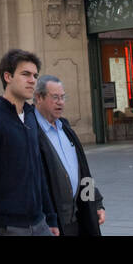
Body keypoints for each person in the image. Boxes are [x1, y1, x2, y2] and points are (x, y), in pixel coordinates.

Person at [0, 48, 58, 236]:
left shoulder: (31, 116)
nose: (32, 80)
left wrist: (50, 217)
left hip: (39, 223)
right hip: (9, 227)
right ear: (7, 77)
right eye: (25, 74)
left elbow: (38, 170)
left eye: (35, 75)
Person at [34, 74, 104, 236]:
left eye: (63, 97)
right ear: (39, 97)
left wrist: (96, 204)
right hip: (51, 224)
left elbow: (83, 172)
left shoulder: (65, 128)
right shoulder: (31, 131)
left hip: (78, 218)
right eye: (55, 97)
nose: (61, 102)